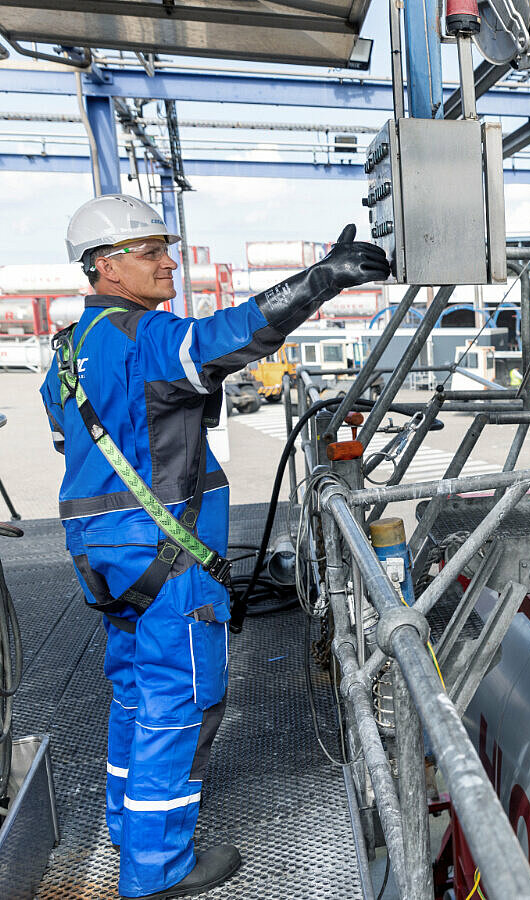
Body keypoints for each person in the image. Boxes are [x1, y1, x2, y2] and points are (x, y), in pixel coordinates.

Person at [40, 194, 390, 900]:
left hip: (99, 552)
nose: (169, 261)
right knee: (184, 699)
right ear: (107, 268)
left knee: (136, 692)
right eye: (150, 252)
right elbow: (224, 338)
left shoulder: (71, 348)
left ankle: (125, 826)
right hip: (163, 555)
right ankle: (157, 867)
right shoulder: (145, 337)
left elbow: (66, 429)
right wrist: (318, 281)